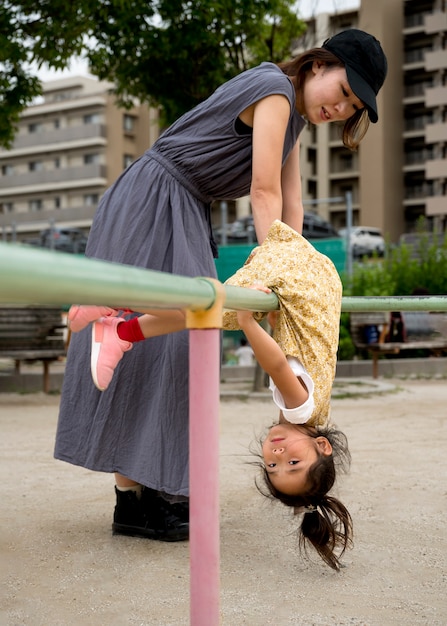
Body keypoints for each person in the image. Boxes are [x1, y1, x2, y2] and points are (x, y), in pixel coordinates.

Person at [54, 28, 387, 543]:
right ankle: (136, 496)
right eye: (343, 92)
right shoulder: (274, 91)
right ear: (319, 65)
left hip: (182, 207)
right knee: (167, 343)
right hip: (154, 198)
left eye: (353, 108)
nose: (342, 108)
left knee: (181, 345)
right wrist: (277, 269)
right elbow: (263, 191)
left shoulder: (291, 119)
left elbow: (291, 211)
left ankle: (143, 498)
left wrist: (290, 281)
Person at [68, 217, 352, 570]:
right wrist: (249, 322)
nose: (277, 454)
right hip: (303, 278)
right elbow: (278, 365)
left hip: (315, 283)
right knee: (206, 307)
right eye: (292, 461)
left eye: (272, 465)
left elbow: (297, 351)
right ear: (322, 446)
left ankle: (122, 330)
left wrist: (276, 322)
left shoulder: (317, 413)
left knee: (202, 313)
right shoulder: (300, 411)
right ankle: (114, 308)